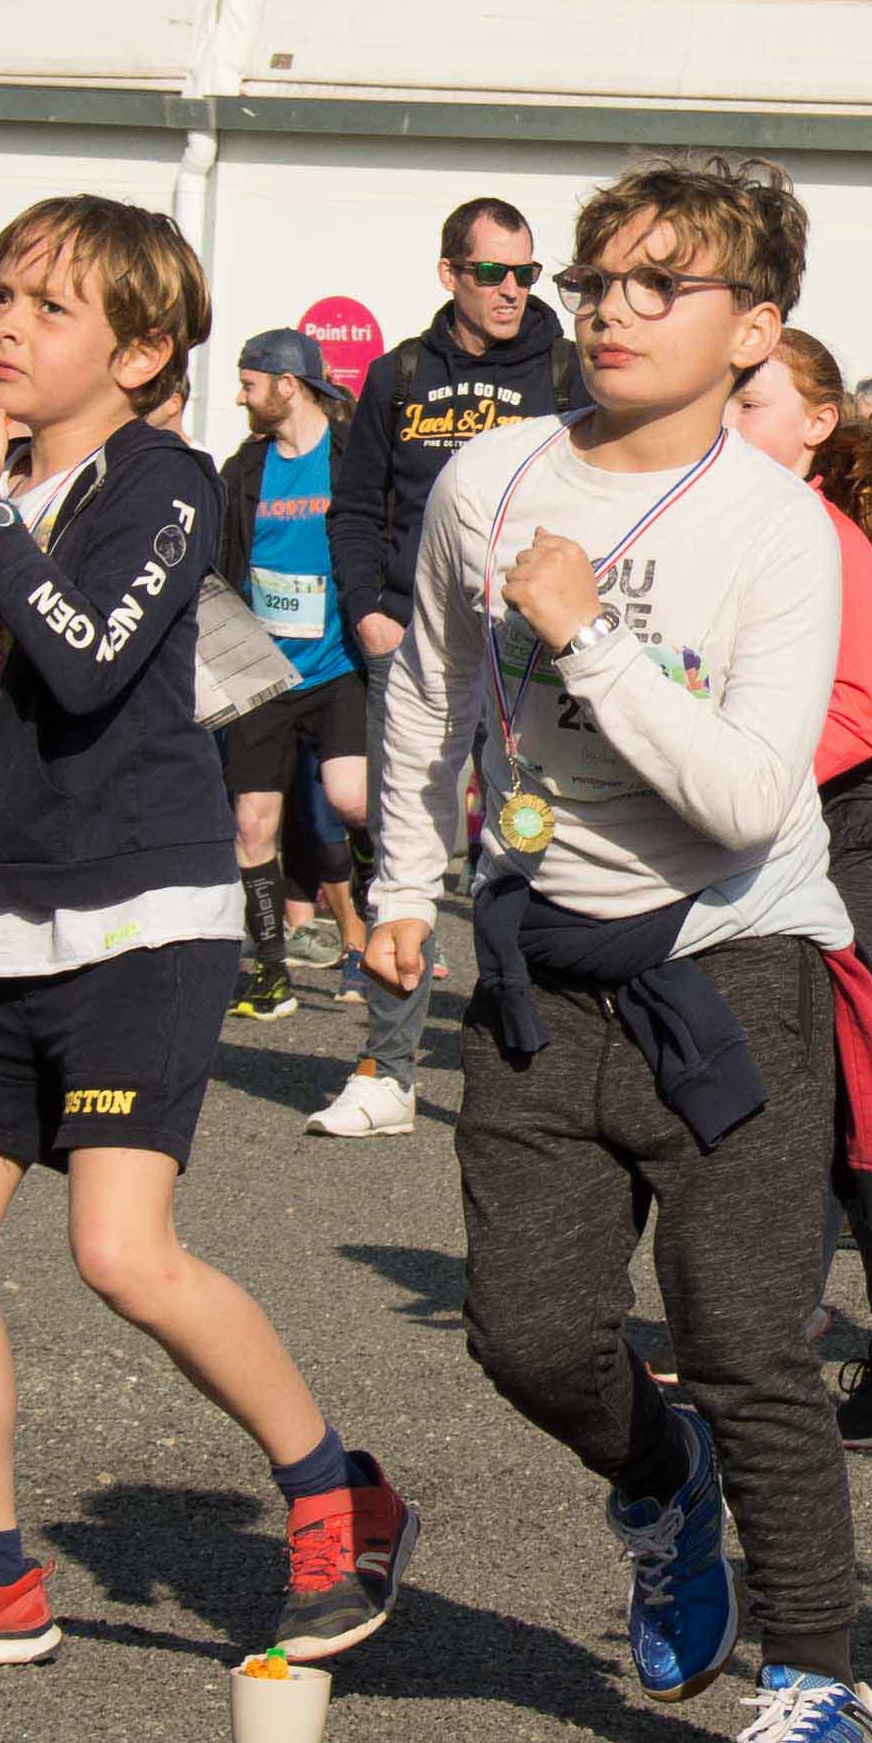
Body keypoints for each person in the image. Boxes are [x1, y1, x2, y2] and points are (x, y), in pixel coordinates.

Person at [366, 157, 872, 1743]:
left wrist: (591, 642)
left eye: (661, 286)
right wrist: (399, 882)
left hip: (731, 962)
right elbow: (429, 696)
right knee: (522, 1333)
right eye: (601, 277)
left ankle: (825, 1698)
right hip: (538, 963)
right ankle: (660, 1489)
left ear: (757, 330)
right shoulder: (491, 480)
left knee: (748, 1342)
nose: (610, 308)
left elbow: (751, 794)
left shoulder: (781, 533)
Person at [0, 195, 411, 1668]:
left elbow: (89, 665)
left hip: (147, 917)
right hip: (6, 919)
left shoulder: (159, 478)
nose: (8, 326)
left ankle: (335, 1487)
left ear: (147, 350)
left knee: (120, 1251)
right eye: (1, 294)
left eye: (50, 305)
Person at [728, 331, 872, 1448]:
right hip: (766, 822)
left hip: (853, 823)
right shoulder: (729, 526)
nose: (726, 417)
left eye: (751, 399)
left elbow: (863, 711)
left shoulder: (824, 534)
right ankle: (762, 1313)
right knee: (764, 1074)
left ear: (819, 423)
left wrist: (718, 778)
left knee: (841, 1084)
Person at [341, 198, 589, 1108]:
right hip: (414, 641)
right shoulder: (398, 374)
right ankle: (387, 1067)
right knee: (405, 838)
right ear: (450, 274)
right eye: (493, 273)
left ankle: (525, 1047)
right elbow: (359, 506)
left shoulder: (566, 368)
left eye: (526, 273)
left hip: (528, 651)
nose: (513, 291)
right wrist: (368, 608)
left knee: (527, 849)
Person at [216, 328, 379, 1032]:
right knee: (253, 824)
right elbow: (223, 563)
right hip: (262, 673)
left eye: (250, 383)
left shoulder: (348, 461)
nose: (240, 395)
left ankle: (375, 916)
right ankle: (271, 970)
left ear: (289, 385)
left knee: (350, 801)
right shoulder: (244, 470)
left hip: (337, 665)